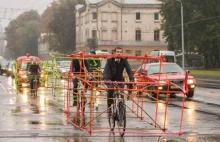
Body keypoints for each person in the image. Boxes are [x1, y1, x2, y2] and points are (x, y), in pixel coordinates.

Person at [103, 47, 134, 116]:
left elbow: (129, 70)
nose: (119, 53)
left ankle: (121, 107)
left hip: (120, 80)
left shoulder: (124, 60)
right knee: (110, 91)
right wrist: (106, 79)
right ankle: (109, 108)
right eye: (117, 52)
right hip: (111, 80)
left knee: (121, 95)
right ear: (114, 53)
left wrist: (131, 79)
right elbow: (106, 70)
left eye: (120, 52)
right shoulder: (110, 60)